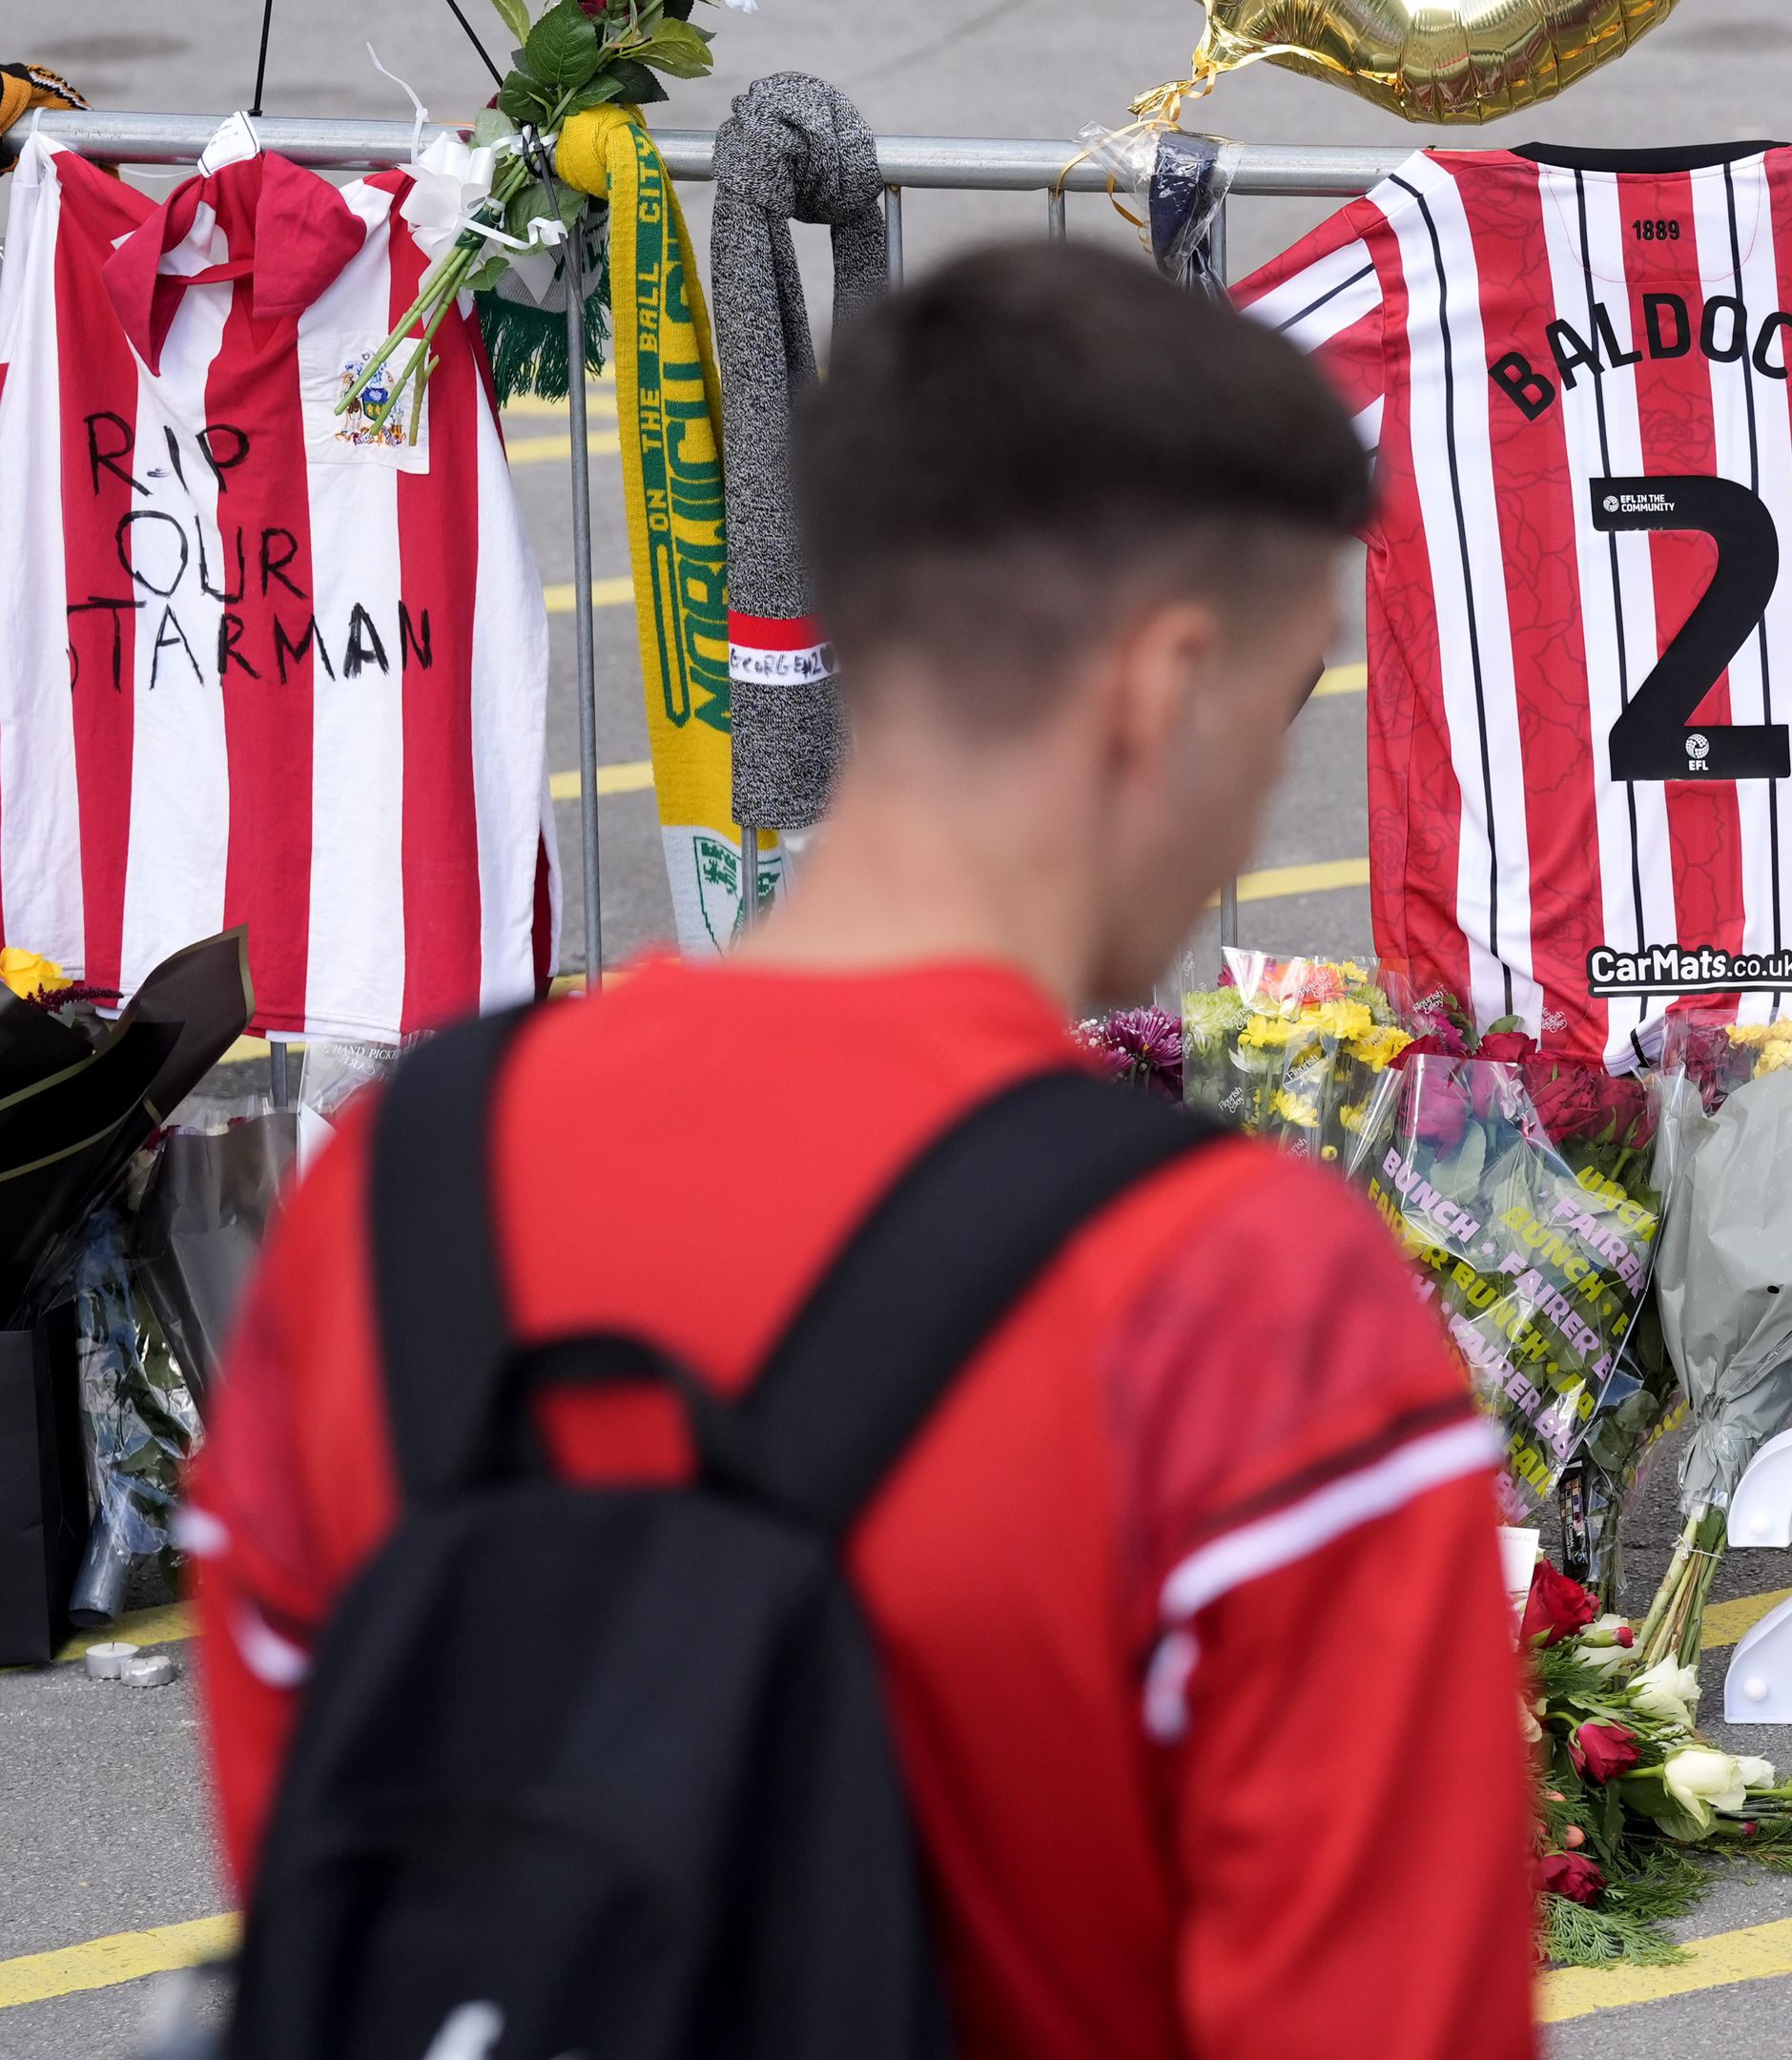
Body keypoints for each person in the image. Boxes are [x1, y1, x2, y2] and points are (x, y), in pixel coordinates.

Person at [184, 241, 1538, 2060]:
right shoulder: (1245, 1306)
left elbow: (322, 1865)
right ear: (1162, 687)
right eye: (1292, 703)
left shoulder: (401, 1193)